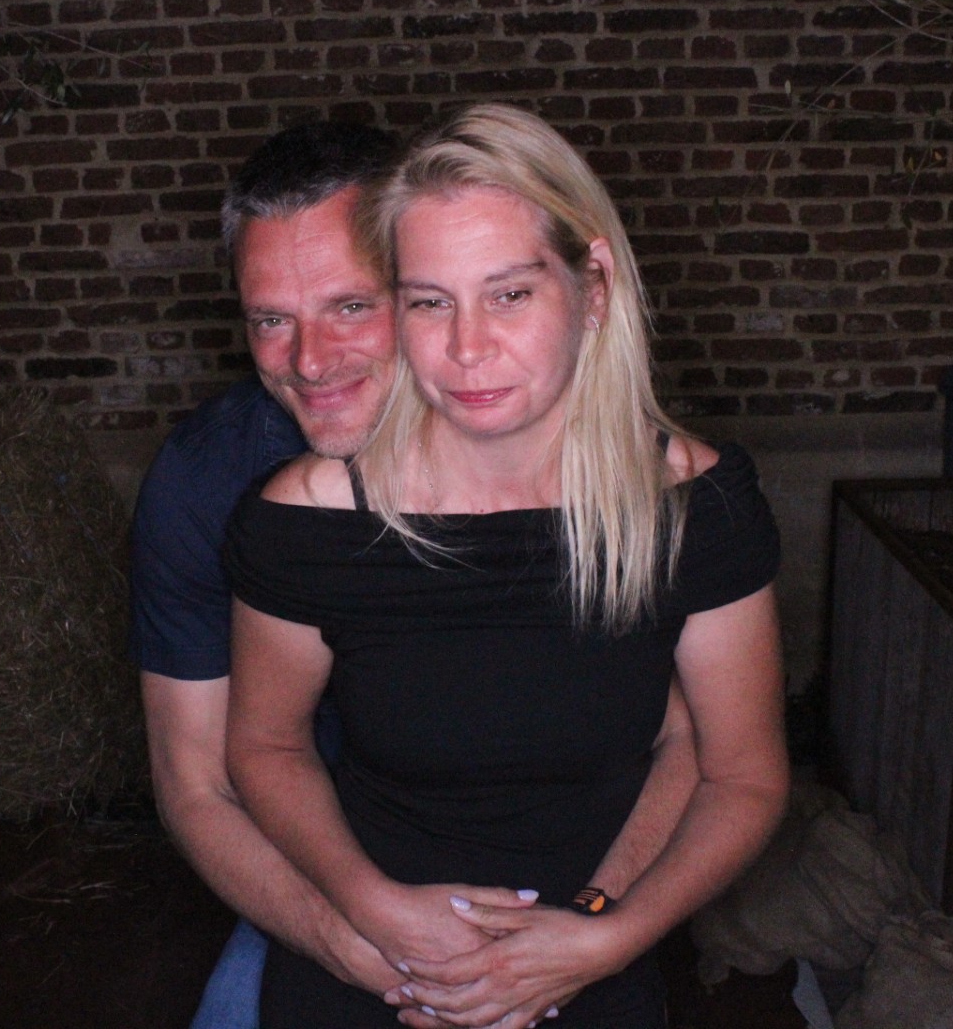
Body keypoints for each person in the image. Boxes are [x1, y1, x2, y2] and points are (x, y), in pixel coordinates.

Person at [224, 104, 789, 1028]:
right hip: (373, 972)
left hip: (591, 971)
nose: (467, 346)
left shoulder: (697, 509)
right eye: (429, 302)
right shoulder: (308, 521)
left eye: (510, 294)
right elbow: (265, 747)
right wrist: (370, 909)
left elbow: (742, 775)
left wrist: (604, 933)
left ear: (593, 287)